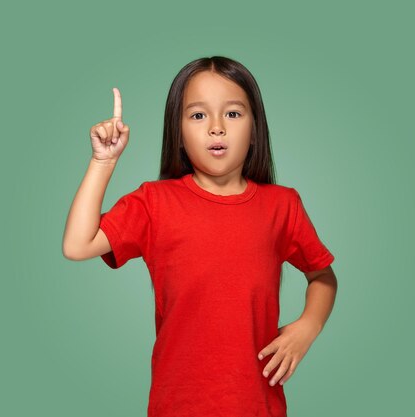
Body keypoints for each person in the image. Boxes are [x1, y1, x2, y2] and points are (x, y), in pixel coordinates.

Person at [63, 56, 338, 417]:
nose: (216, 128)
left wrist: (308, 326)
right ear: (177, 132)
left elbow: (322, 275)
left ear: (255, 129)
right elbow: (77, 245)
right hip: (176, 407)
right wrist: (103, 162)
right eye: (198, 115)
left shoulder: (282, 205)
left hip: (259, 406)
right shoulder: (154, 202)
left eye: (233, 114)